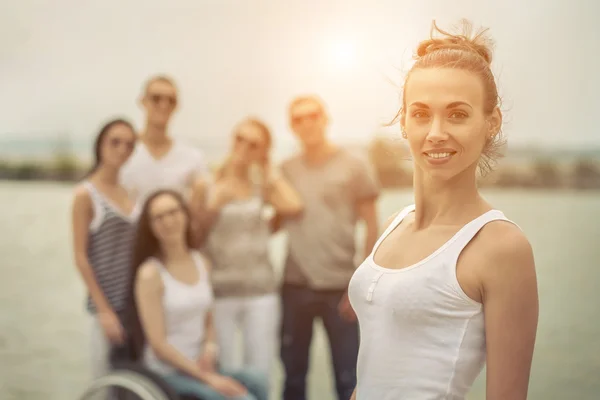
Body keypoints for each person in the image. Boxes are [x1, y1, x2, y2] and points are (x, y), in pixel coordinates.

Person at [348, 20, 539, 400]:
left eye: (457, 114)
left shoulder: (500, 246)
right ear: (403, 122)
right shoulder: (393, 226)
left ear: (491, 122)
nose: (436, 132)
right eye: (420, 113)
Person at [274, 95, 380, 400]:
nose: (306, 122)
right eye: (298, 118)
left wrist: (358, 286)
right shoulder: (285, 170)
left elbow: (372, 226)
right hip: (294, 286)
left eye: (313, 115)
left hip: (341, 289)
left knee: (348, 379)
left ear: (326, 118)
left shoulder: (354, 165)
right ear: (291, 127)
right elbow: (273, 221)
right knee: (293, 379)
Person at [127, 189, 268, 400]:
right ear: (150, 227)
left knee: (257, 380)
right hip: (169, 373)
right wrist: (207, 378)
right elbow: (158, 345)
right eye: (158, 217)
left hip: (201, 366)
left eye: (173, 212)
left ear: (185, 214)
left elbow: (208, 318)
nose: (168, 221)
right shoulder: (150, 274)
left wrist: (210, 348)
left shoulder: (201, 261)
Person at [199, 118, 302, 386]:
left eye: (254, 144)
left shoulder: (262, 187)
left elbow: (293, 206)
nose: (244, 147)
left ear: (262, 151)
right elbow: (195, 237)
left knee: (260, 372)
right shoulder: (210, 183)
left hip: (261, 292)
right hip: (220, 292)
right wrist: (213, 206)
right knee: (225, 372)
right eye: (239, 139)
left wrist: (268, 169)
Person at [71, 118, 140, 380]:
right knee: (104, 382)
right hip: (107, 308)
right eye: (115, 142)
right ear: (100, 144)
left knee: (133, 382)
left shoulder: (131, 192)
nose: (122, 149)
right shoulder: (86, 194)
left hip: (134, 305)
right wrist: (104, 310)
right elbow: (80, 256)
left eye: (129, 145)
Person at [120, 75, 209, 203]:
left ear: (177, 106)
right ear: (142, 101)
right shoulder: (121, 152)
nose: (164, 105)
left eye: (171, 100)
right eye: (156, 98)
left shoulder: (193, 158)